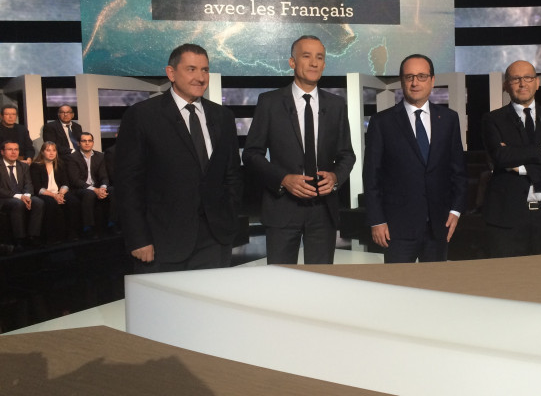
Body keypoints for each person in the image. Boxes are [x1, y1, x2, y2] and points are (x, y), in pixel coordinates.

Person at [117, 43, 243, 272]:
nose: (200, 77)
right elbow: (128, 184)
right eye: (191, 69)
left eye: (205, 70)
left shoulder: (223, 116)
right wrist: (138, 238)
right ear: (171, 73)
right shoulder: (142, 115)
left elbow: (232, 174)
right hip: (162, 241)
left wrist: (230, 216)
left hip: (216, 239)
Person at [243, 35, 355, 265]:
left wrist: (335, 177)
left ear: (324, 64)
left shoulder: (336, 105)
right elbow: (251, 154)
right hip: (282, 208)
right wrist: (283, 179)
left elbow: (347, 155)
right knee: (282, 281)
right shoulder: (270, 102)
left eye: (319, 57)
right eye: (306, 56)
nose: (314, 63)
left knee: (321, 280)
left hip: (323, 211)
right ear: (292, 62)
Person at [363, 54, 467, 263]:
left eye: (421, 76)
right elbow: (371, 175)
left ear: (432, 80)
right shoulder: (382, 122)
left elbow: (458, 170)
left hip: (439, 226)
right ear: (402, 81)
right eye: (409, 77)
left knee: (435, 283)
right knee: (398, 283)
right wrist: (376, 220)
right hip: (396, 228)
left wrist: (456, 210)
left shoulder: (449, 119)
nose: (415, 82)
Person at [482, 60, 541, 257]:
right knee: (510, 274)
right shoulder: (492, 119)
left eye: (528, 78)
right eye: (515, 79)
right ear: (506, 85)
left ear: (537, 82)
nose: (522, 83)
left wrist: (523, 167)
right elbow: (501, 156)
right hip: (508, 217)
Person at [30, 141, 80, 243]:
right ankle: (53, 237)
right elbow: (37, 188)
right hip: (44, 193)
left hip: (59, 192)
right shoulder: (35, 166)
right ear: (42, 152)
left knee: (73, 201)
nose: (51, 153)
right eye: (48, 150)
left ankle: (72, 233)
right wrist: (54, 195)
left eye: (54, 150)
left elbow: (65, 183)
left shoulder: (60, 164)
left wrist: (60, 194)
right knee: (51, 203)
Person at [67, 132, 112, 238]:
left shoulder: (100, 156)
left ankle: (112, 223)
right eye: (84, 141)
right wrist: (94, 190)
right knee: (89, 194)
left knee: (113, 191)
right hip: (80, 188)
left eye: (89, 141)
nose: (87, 143)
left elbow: (104, 176)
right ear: (78, 143)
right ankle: (88, 227)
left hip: (97, 187)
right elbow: (75, 180)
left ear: (92, 142)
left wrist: (102, 188)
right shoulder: (72, 157)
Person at [0, 140, 44, 247]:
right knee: (18, 203)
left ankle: (33, 236)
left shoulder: (23, 166)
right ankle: (19, 239)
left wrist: (27, 196)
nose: (14, 152)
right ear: (2, 152)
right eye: (10, 149)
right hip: (4, 198)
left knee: (38, 202)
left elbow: (28, 184)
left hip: (22, 195)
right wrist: (20, 197)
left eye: (16, 149)